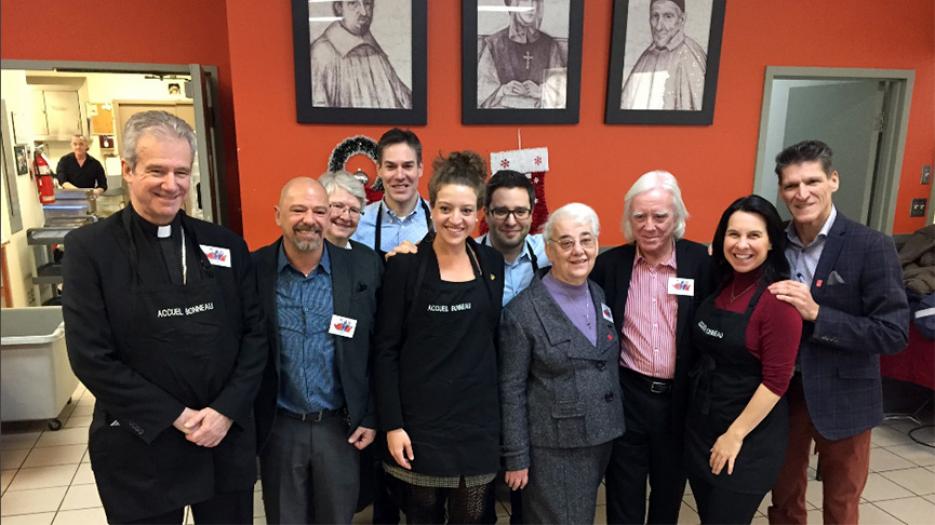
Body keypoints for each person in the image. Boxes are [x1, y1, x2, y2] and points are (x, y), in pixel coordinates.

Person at [62, 111, 266, 524]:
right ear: (128, 169)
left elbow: (255, 335)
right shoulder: (90, 250)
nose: (171, 185)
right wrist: (180, 417)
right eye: (156, 170)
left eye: (181, 172)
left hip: (222, 439)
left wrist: (225, 411)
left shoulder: (224, 244)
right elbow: (91, 356)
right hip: (143, 442)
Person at [766, 140, 909, 525]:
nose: (802, 193)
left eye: (812, 181)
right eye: (792, 185)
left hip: (847, 394)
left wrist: (818, 314)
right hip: (783, 393)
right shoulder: (772, 243)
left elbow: (893, 333)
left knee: (842, 504)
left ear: (833, 180)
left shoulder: (871, 246)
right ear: (781, 191)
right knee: (783, 497)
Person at [374, 151, 504, 523]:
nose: (456, 219)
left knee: (473, 515)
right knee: (422, 515)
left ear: (479, 212)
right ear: (432, 209)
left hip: (477, 422)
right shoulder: (404, 266)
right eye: (446, 208)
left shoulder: (491, 265)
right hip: (420, 425)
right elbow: (385, 351)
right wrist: (393, 425)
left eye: (466, 210)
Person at [253, 177, 382, 524]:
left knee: (337, 517)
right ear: (278, 215)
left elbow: (378, 347)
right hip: (280, 426)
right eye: (298, 210)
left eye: (318, 211)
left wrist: (370, 414)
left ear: (327, 217)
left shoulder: (364, 267)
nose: (309, 219)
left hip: (340, 428)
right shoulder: (254, 270)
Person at [590, 170, 713, 525]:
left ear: (676, 217)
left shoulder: (700, 263)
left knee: (669, 491)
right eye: (639, 216)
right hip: (629, 395)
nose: (650, 225)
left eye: (660, 216)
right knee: (623, 493)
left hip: (680, 399)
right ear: (629, 220)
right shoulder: (610, 265)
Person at [499, 203, 625, 524]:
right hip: (554, 448)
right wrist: (516, 457)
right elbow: (511, 389)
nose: (578, 251)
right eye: (566, 243)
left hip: (601, 437)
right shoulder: (523, 312)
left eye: (587, 240)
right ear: (548, 250)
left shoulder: (597, 293)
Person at [685, 195, 802, 524]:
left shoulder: (779, 301)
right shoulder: (722, 285)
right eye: (733, 234)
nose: (742, 245)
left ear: (771, 243)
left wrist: (734, 436)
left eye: (754, 235)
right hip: (703, 429)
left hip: (748, 439)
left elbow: (777, 381)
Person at [310, 0, 412, 109]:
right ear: (339, 8)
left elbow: (406, 102)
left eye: (367, 4)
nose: (364, 12)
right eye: (354, 3)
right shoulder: (321, 53)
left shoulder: (375, 52)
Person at [351, 128, 432, 257]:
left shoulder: (439, 221)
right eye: (391, 166)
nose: (399, 176)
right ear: (379, 170)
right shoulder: (358, 223)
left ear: (420, 169)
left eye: (407, 166)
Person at [477, 0, 567, 109]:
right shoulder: (493, 44)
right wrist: (504, 90)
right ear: (512, 4)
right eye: (525, 0)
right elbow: (481, 94)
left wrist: (541, 91)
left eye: (535, 1)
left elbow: (562, 94)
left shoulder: (550, 45)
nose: (531, 6)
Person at [620, 0, 706, 111]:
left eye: (668, 16)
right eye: (655, 16)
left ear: (682, 19)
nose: (659, 26)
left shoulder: (691, 58)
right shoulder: (646, 57)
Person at [479, 169, 549, 304]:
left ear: (531, 214)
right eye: (501, 211)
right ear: (486, 214)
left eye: (520, 211)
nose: (511, 222)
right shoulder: (467, 257)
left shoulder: (550, 251)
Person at [320, 170, 367, 249]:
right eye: (338, 206)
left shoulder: (369, 258)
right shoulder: (300, 254)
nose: (346, 217)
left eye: (354, 210)